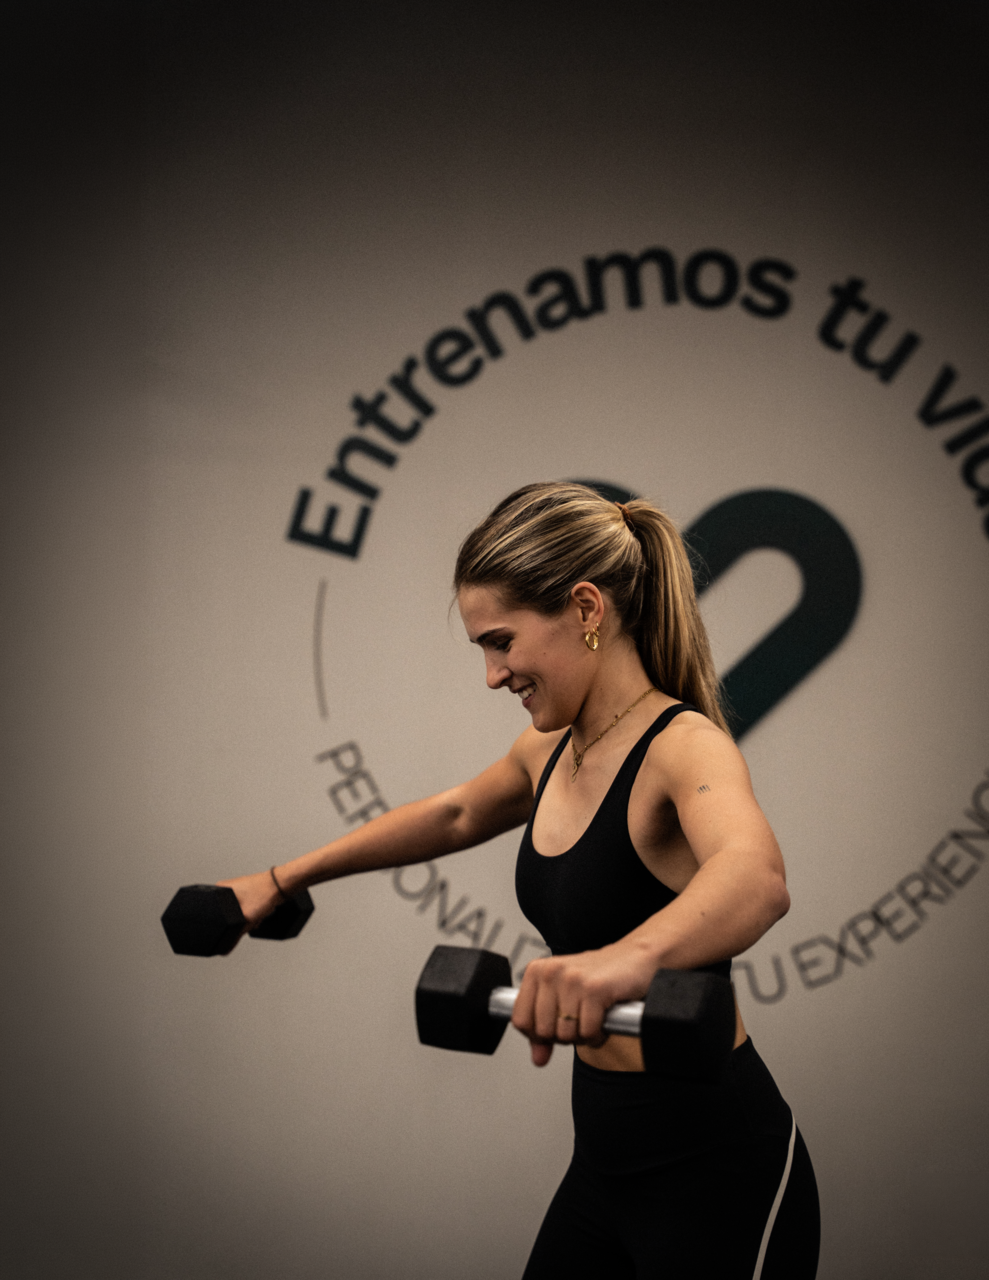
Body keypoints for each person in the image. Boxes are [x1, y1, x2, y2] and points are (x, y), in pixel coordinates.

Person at [221, 481, 820, 1279]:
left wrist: (620, 963)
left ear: (584, 608)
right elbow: (454, 815)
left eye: (500, 642)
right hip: (603, 1159)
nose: (493, 674)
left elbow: (755, 878)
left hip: (716, 1163)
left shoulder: (683, 745)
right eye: (482, 649)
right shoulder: (550, 751)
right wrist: (281, 877)